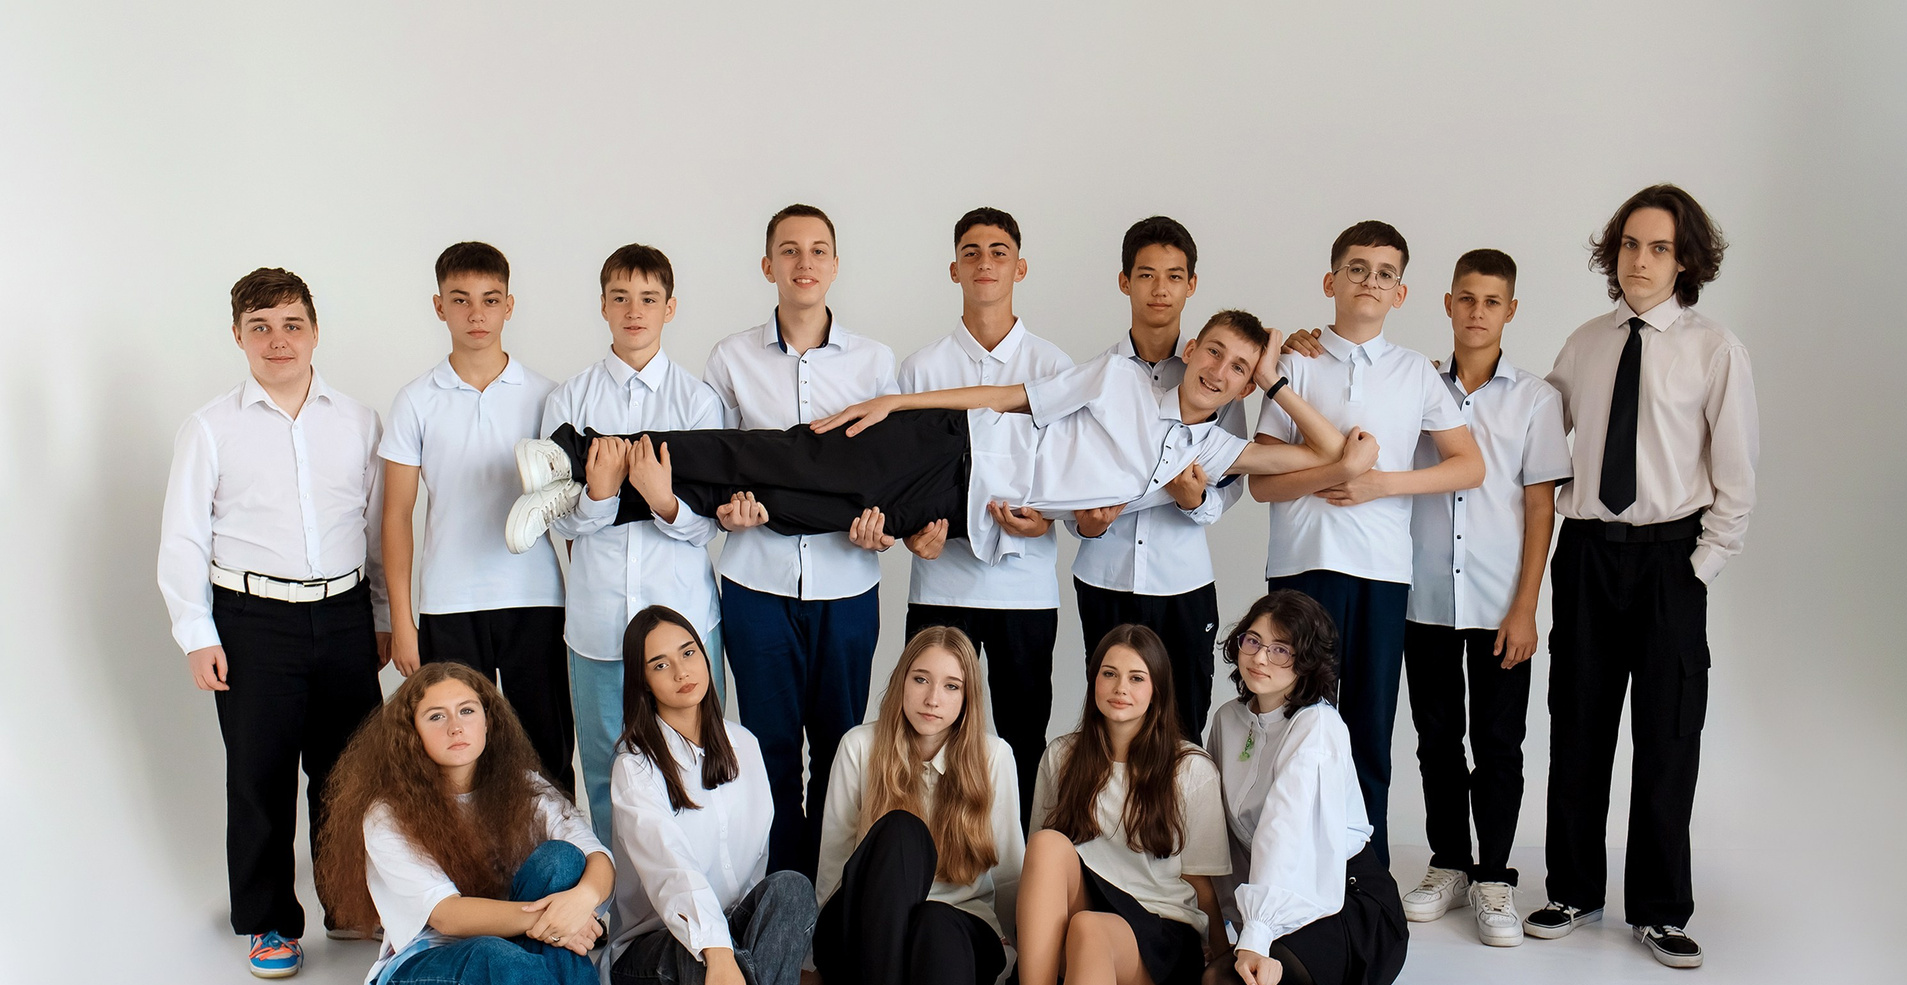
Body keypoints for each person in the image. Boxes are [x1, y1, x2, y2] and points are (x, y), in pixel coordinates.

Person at [510, 310, 1376, 573]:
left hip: (962, 508)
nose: (1221, 371)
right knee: (777, 456)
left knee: (796, 508)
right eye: (1215, 353)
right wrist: (900, 401)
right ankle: (581, 449)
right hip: (949, 445)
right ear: (1194, 350)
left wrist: (1276, 384)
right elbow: (1009, 394)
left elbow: (1334, 456)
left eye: (1238, 368)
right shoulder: (1119, 380)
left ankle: (600, 494)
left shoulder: (1209, 453)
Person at [1526, 185, 1758, 968]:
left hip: (1669, 561)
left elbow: (1737, 476)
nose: (1640, 260)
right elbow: (1537, 434)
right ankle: (1572, 890)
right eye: (1630, 244)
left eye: (1659, 247)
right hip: (1588, 554)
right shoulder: (1586, 343)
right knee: (1577, 725)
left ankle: (1659, 909)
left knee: (1667, 733)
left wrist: (1700, 566)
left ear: (1685, 259)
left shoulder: (1714, 350)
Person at [314, 662, 674, 985]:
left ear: (488, 720)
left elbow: (597, 859)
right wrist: (552, 924)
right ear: (410, 733)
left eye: (467, 711)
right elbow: (448, 916)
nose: (455, 726)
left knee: (561, 861)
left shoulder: (523, 786)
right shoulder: (387, 812)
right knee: (492, 955)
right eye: (436, 716)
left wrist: (580, 902)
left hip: (512, 961)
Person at [1201, 591, 1511, 985]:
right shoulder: (1227, 721)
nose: (1261, 658)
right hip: (1292, 904)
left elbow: (1284, 832)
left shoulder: (1317, 726)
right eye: (1253, 641)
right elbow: (1226, 835)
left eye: (1281, 649)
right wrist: (1226, 923)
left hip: (1354, 907)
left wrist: (1257, 934)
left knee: (1223, 984)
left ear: (1307, 662)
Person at [157, 267, 389, 977]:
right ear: (238, 336)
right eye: (260, 327)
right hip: (252, 620)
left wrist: (380, 614)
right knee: (260, 774)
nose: (277, 340)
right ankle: (268, 922)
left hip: (345, 613)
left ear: (315, 332)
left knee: (351, 771)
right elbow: (184, 538)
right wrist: (197, 633)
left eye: (292, 325)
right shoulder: (210, 428)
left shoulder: (358, 421)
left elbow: (376, 528)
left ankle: (349, 904)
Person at [1253, 221, 1485, 866]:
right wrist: (1335, 473)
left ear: (1400, 293)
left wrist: (1380, 483)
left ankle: (1365, 875)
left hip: (1381, 573)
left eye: (1385, 274)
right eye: (1357, 268)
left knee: (1369, 728)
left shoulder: (1416, 373)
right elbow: (1263, 485)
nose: (1370, 281)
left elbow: (1469, 465)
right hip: (1302, 567)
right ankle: (1291, 868)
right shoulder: (1294, 364)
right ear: (1331, 281)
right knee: (1294, 724)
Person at [699, 203, 900, 884]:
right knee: (768, 752)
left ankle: (834, 902)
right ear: (768, 266)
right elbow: (714, 468)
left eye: (817, 250)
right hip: (756, 584)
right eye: (789, 250)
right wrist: (728, 512)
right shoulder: (730, 359)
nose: (803, 263)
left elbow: (890, 473)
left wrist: (884, 527)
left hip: (849, 585)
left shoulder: (875, 361)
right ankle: (782, 901)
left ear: (835, 265)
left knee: (843, 752)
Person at [1393, 250, 1572, 946]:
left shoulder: (1535, 399)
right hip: (1424, 600)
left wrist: (1527, 607)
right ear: (1447, 303)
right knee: (1436, 739)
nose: (1477, 312)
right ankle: (1449, 863)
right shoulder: (1415, 385)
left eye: (1491, 301)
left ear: (1511, 310)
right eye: (1466, 298)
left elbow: (1539, 507)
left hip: (1501, 604)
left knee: (1500, 743)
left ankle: (1494, 875)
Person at [527, 244, 727, 846]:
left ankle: (700, 891)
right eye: (620, 298)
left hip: (684, 618)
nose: (634, 311)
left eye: (647, 298)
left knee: (698, 762)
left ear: (670, 307)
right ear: (603, 306)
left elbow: (711, 523)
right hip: (598, 625)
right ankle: (617, 897)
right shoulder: (569, 401)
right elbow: (558, 521)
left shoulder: (698, 403)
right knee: (604, 770)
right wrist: (600, 495)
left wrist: (664, 500)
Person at [604, 606, 824, 985]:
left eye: (689, 653)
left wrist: (741, 947)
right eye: (660, 664)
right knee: (695, 938)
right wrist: (721, 951)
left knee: (792, 887)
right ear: (642, 682)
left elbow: (756, 868)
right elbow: (671, 873)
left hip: (728, 957)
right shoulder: (635, 764)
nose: (682, 671)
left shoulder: (743, 744)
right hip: (652, 960)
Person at [1002, 624, 1230, 985]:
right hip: (1088, 908)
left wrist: (1220, 958)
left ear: (1158, 689)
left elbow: (1200, 881)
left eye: (1136, 677)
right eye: (1109, 674)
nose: (1120, 688)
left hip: (1158, 930)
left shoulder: (1190, 768)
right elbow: (1042, 871)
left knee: (1090, 927)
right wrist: (1014, 929)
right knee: (1047, 844)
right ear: (1093, 680)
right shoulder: (1063, 755)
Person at [811, 627, 1025, 985]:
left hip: (949, 946)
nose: (933, 698)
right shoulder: (860, 746)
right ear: (900, 683)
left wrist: (1026, 962)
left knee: (937, 918)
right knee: (903, 830)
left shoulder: (994, 757)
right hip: (866, 944)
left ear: (968, 697)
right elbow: (834, 865)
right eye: (921, 679)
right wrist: (817, 958)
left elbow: (1010, 871)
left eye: (951, 686)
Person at [897, 207, 1074, 817]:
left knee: (1023, 732)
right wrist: (910, 533)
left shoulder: (1053, 367)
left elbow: (1069, 471)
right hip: (941, 584)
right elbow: (902, 477)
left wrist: (1047, 520)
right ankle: (930, 850)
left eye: (999, 252)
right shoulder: (920, 369)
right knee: (928, 732)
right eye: (970, 252)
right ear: (954, 269)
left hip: (1026, 587)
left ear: (1020, 268)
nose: (985, 263)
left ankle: (1020, 861)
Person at [381, 242, 573, 789]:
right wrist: (403, 622)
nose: (476, 314)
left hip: (535, 597)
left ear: (509, 306)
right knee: (457, 763)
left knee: (547, 753)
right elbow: (396, 515)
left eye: (490, 300)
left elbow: (570, 504)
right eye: (460, 299)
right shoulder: (415, 400)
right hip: (448, 603)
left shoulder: (548, 396)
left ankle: (559, 848)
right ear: (439, 306)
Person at [1072, 216, 1248, 742]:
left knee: (1184, 721)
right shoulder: (1098, 377)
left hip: (1183, 582)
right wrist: (1084, 526)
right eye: (1146, 275)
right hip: (1104, 578)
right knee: (1110, 724)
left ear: (1191, 285)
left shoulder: (1215, 374)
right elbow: (1072, 477)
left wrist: (1195, 502)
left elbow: (1232, 480)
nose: (1160, 289)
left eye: (1174, 276)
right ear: (1124, 281)